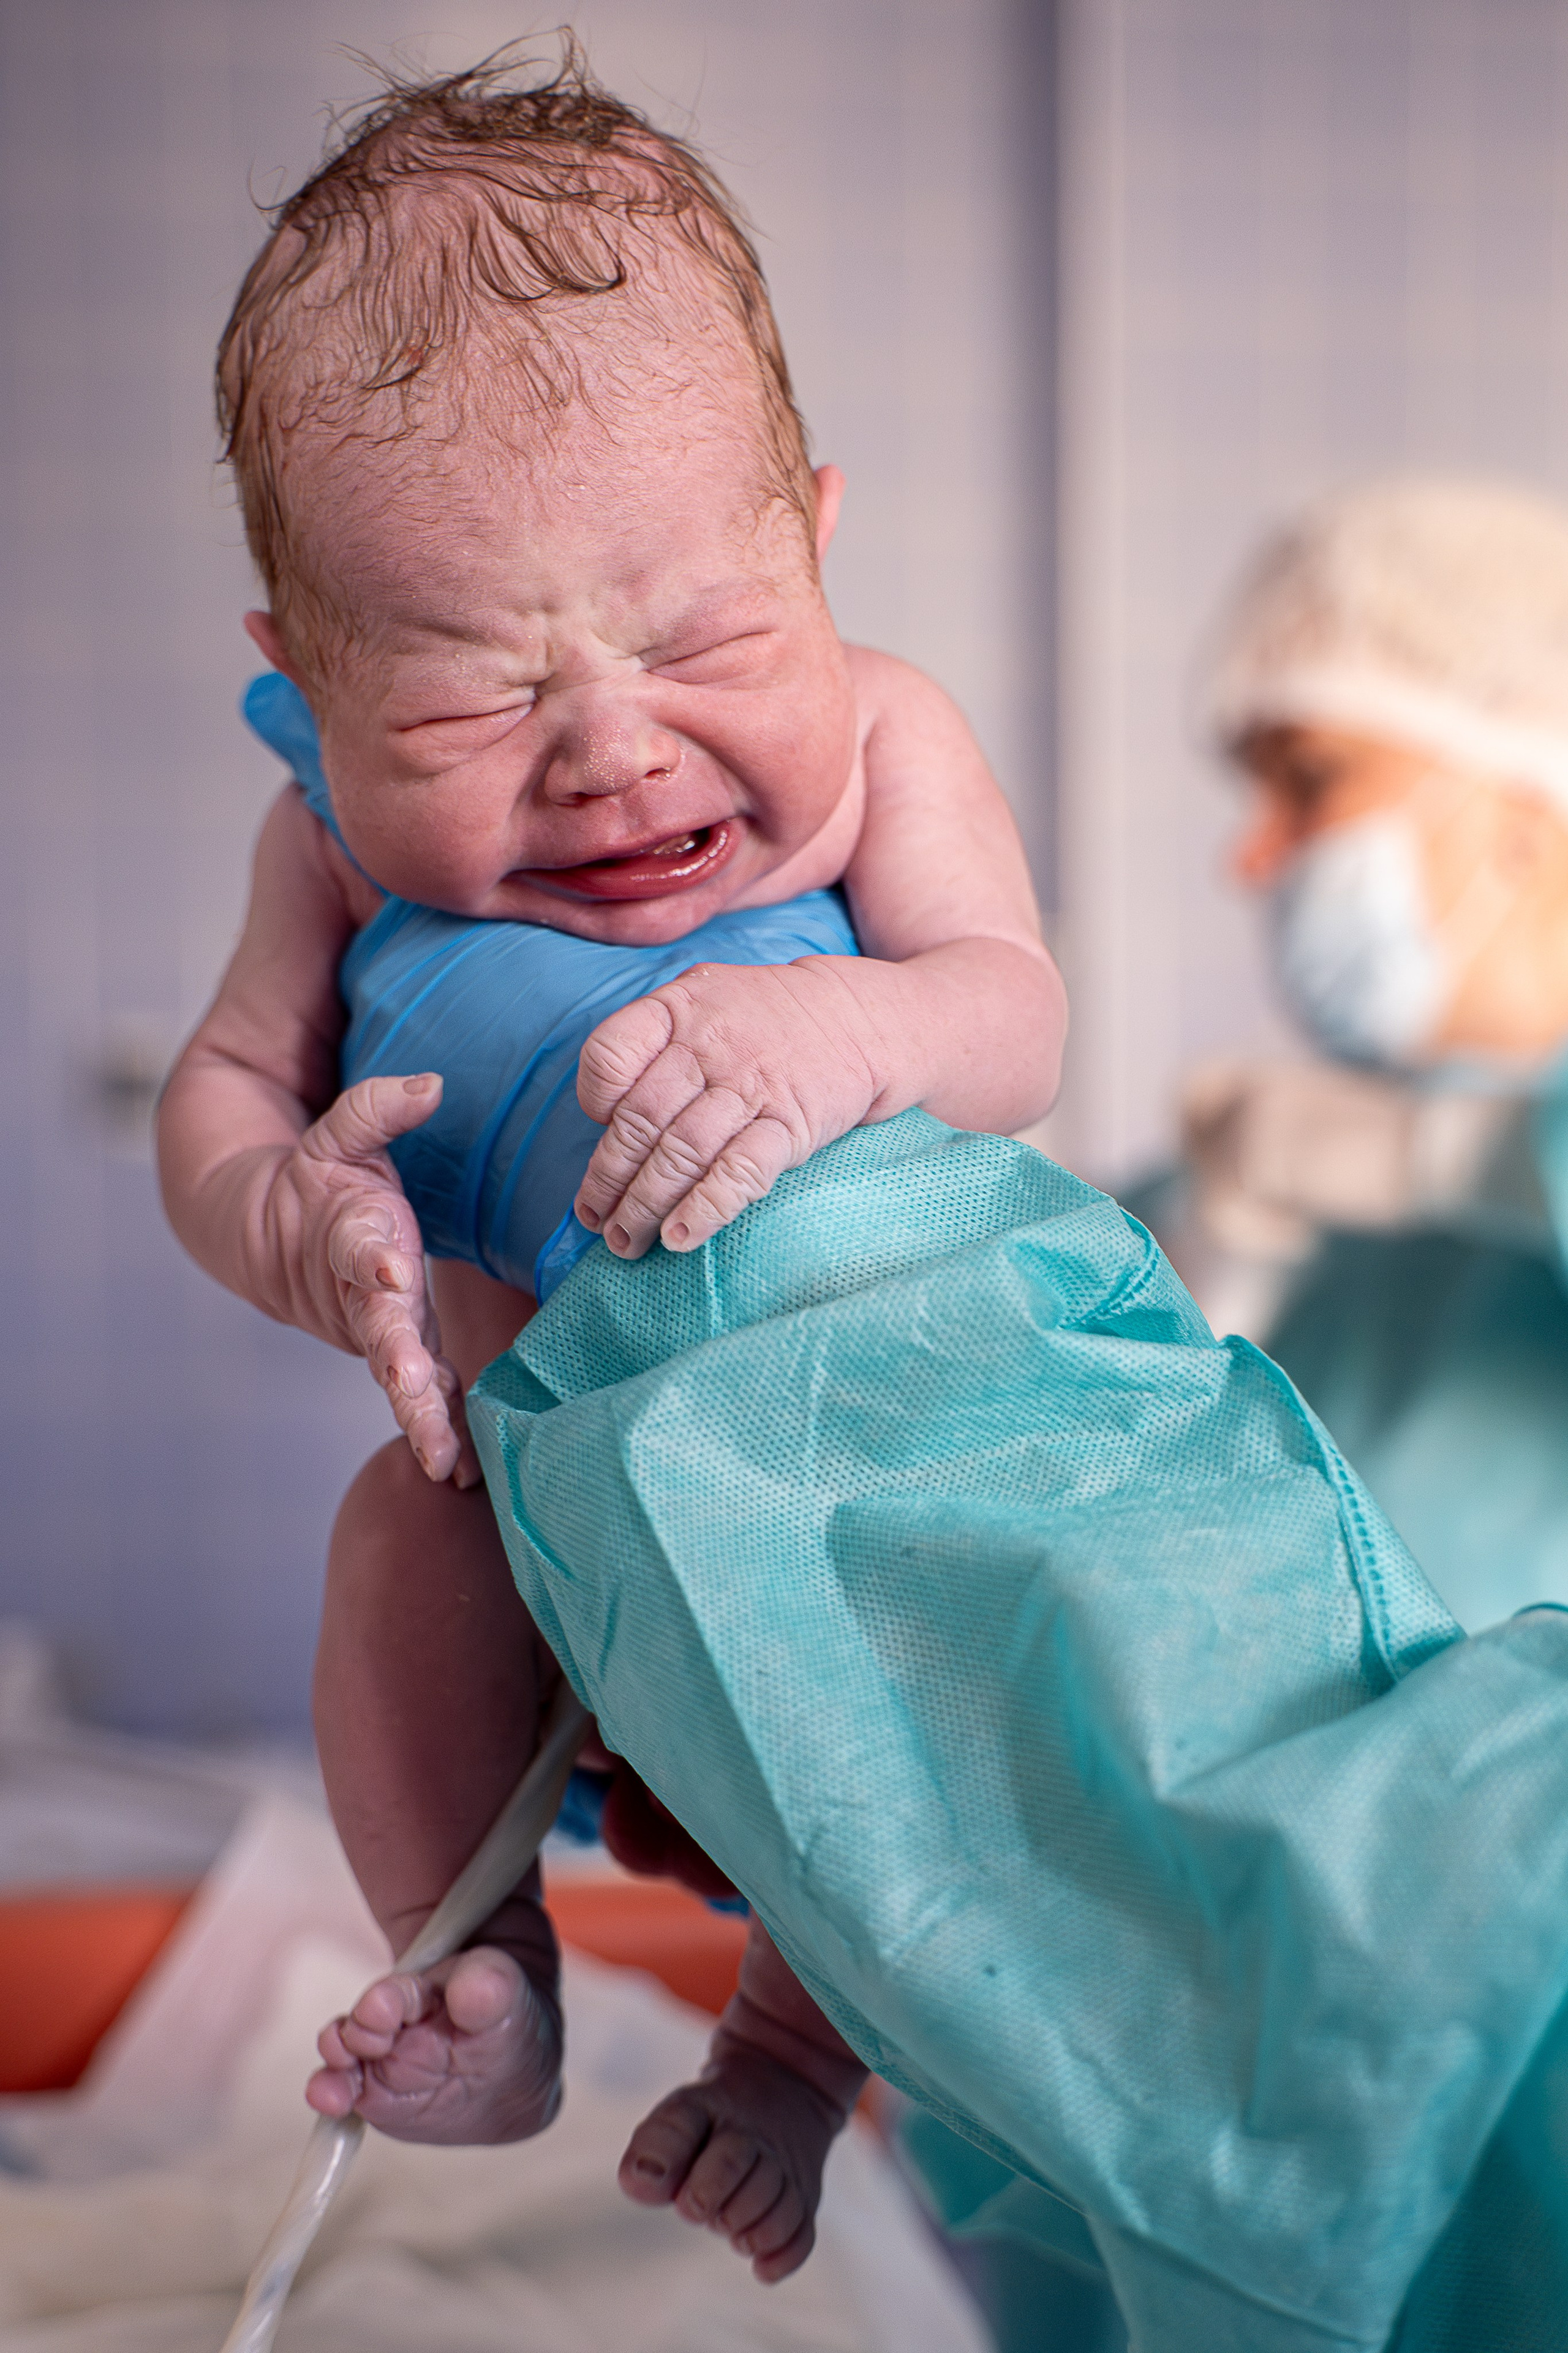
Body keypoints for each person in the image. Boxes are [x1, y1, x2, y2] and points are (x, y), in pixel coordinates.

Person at [156, 50, 1064, 2285]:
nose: (615, 749)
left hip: (833, 1462)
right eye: (471, 701)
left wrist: (844, 1022)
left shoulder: (890, 745)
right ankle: (487, 1976)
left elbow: (1014, 1021)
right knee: (398, 1557)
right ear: (309, 682)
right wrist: (288, 1213)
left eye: (704, 639)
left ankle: (783, 2046)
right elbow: (225, 1099)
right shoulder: (330, 854)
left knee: (912, 1699)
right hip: (531, 1505)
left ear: (815, 542)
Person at [1177, 477, 1568, 1631]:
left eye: (1309, 781)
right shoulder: (1277, 1163)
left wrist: (1436, 1157)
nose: (1251, 856)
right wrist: (1219, 1260)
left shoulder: (1368, 1157)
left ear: (1522, 809)